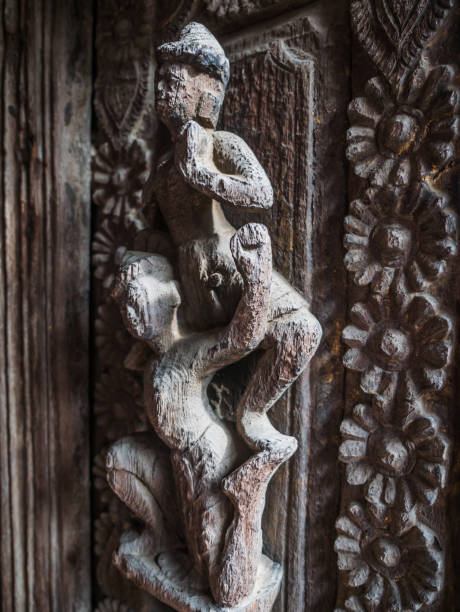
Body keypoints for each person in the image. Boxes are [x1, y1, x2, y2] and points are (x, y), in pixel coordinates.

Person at [152, 21, 322, 476]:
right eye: (160, 81)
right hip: (194, 286)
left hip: (230, 265)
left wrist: (204, 176)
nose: (161, 92)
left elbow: (260, 193)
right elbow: (155, 234)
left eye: (172, 82)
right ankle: (214, 449)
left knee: (300, 333)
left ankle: (252, 413)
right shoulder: (163, 168)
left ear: (206, 90)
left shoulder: (216, 144)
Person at [111, 223, 285, 606]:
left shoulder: (188, 356)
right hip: (179, 461)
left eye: (137, 299)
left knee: (227, 591)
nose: (130, 314)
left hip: (208, 457)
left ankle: (248, 496)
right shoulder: (150, 357)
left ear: (171, 296)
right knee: (118, 462)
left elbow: (242, 337)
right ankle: (158, 536)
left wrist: (256, 280)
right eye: (124, 306)